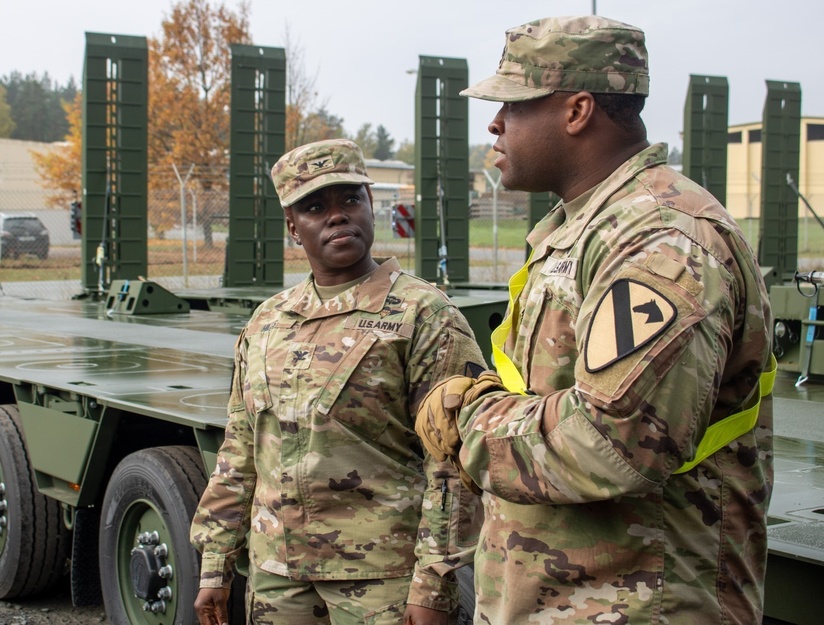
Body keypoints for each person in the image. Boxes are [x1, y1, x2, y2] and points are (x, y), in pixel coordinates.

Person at [415, 15, 774, 624]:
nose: (494, 123)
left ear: (577, 111)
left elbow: (614, 442)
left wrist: (468, 418)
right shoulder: (586, 227)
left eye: (512, 104)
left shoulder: (662, 240)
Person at [191, 139, 487, 625]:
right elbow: (241, 449)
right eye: (314, 207)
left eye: (351, 199)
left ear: (372, 208)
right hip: (277, 578)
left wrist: (434, 582)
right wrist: (215, 564)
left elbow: (454, 463)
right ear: (292, 227)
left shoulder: (424, 314)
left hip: (382, 580)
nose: (337, 216)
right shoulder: (268, 322)